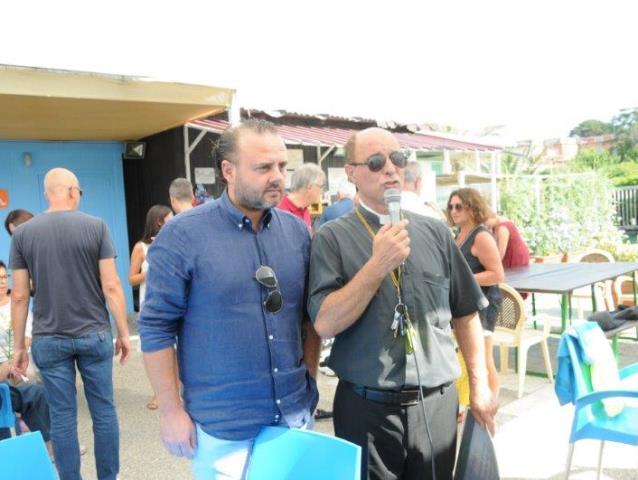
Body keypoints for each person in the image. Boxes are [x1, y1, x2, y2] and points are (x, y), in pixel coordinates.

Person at [308, 128, 496, 480]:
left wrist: (480, 385)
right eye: (375, 162)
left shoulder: (436, 232)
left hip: (435, 404)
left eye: (397, 159)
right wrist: (377, 266)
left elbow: (466, 313)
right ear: (351, 172)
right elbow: (325, 323)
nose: (390, 169)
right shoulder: (331, 238)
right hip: (366, 409)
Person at [139, 119, 320, 480]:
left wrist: (310, 383)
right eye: (263, 167)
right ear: (228, 170)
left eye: (282, 166)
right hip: (223, 430)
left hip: (293, 418)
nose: (278, 177)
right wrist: (171, 411)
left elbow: (307, 320)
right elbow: (156, 327)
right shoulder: (183, 234)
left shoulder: (297, 233)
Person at [10, 167, 131, 480]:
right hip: (94, 333)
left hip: (48, 337)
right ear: (73, 191)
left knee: (62, 417)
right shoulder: (96, 226)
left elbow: (20, 296)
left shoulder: (23, 234)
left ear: (47, 194)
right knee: (103, 411)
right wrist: (123, 332)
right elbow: (112, 285)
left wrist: (19, 347)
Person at [447, 188, 504, 397]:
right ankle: (473, 401)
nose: (453, 211)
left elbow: (497, 274)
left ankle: (492, 403)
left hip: (483, 304)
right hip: (465, 304)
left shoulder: (481, 236)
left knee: (484, 360)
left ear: (472, 208)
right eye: (451, 207)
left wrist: (463, 279)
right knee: (469, 358)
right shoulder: (458, 236)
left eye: (459, 207)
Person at [128, 205, 173, 410]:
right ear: (159, 221)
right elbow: (131, 279)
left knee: (176, 350)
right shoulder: (141, 247)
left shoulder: (174, 242)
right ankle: (158, 393)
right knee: (154, 349)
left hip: (174, 302)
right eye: (170, 218)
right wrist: (152, 270)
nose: (174, 220)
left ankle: (176, 393)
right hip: (152, 304)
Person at [277, 162, 325, 233]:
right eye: (321, 187)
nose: (322, 192)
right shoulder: (278, 213)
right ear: (309, 187)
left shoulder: (305, 210)